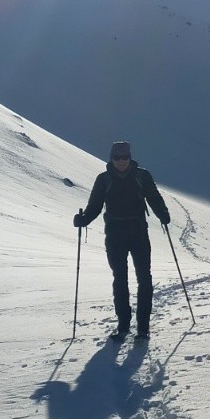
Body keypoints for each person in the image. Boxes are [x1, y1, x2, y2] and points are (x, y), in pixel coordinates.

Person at [74, 141, 170, 341]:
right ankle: (123, 325)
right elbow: (95, 205)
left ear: (130, 157)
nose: (121, 161)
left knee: (144, 277)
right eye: (117, 158)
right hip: (115, 233)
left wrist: (163, 214)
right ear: (111, 158)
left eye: (124, 157)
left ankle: (143, 327)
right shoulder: (104, 180)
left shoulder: (142, 176)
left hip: (138, 232)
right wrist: (84, 220)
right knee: (120, 278)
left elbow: (154, 197)